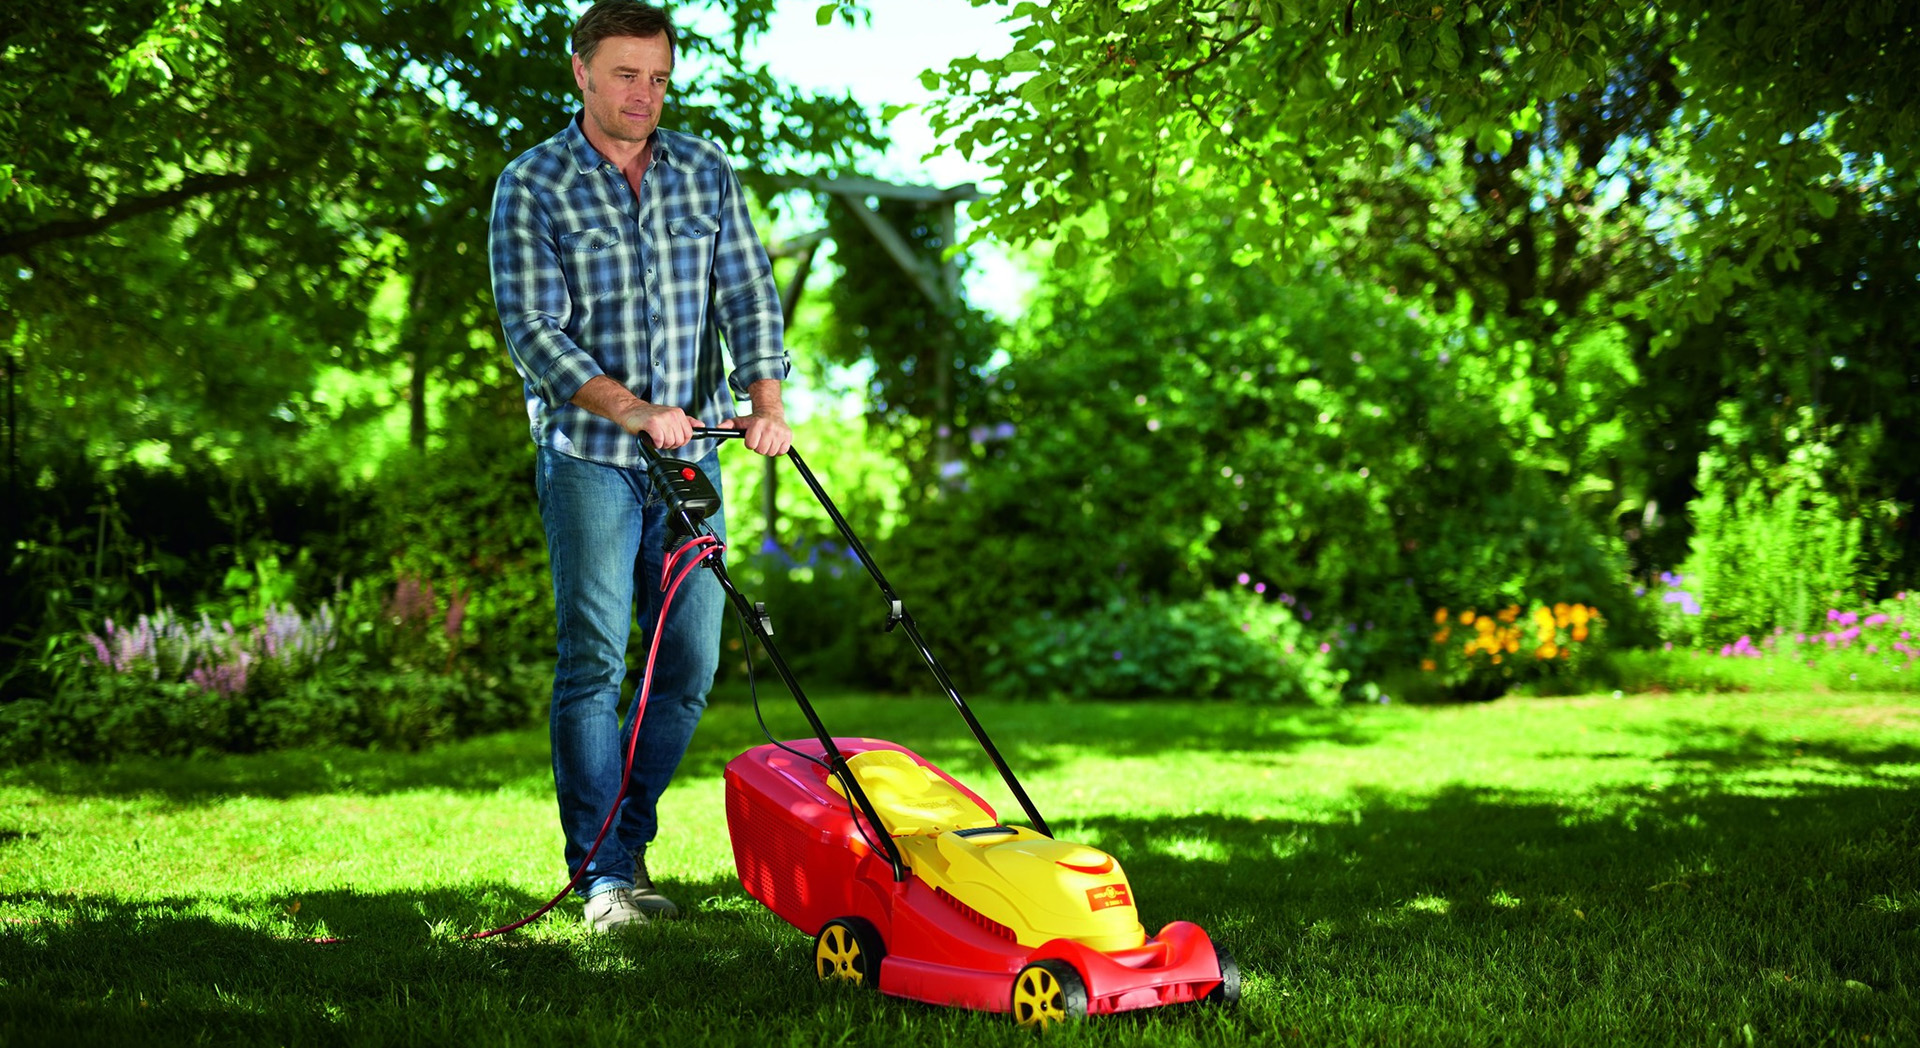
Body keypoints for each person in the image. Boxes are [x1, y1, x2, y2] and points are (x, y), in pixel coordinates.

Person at [487, 0, 793, 933]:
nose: (643, 94)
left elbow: (748, 290)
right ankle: (603, 876)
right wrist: (633, 410)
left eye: (657, 78)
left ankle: (625, 843)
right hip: (590, 459)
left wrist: (766, 401)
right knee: (593, 660)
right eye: (625, 74)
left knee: (691, 661)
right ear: (580, 71)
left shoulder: (703, 170)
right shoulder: (532, 183)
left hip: (690, 459)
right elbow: (534, 331)